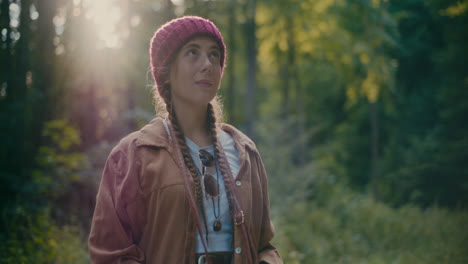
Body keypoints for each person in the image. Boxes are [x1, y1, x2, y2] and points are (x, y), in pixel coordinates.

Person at [88, 16, 283, 264]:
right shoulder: (133, 155)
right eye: (193, 52)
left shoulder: (244, 152)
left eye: (214, 55)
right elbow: (111, 254)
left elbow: (264, 246)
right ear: (166, 72)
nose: (208, 65)